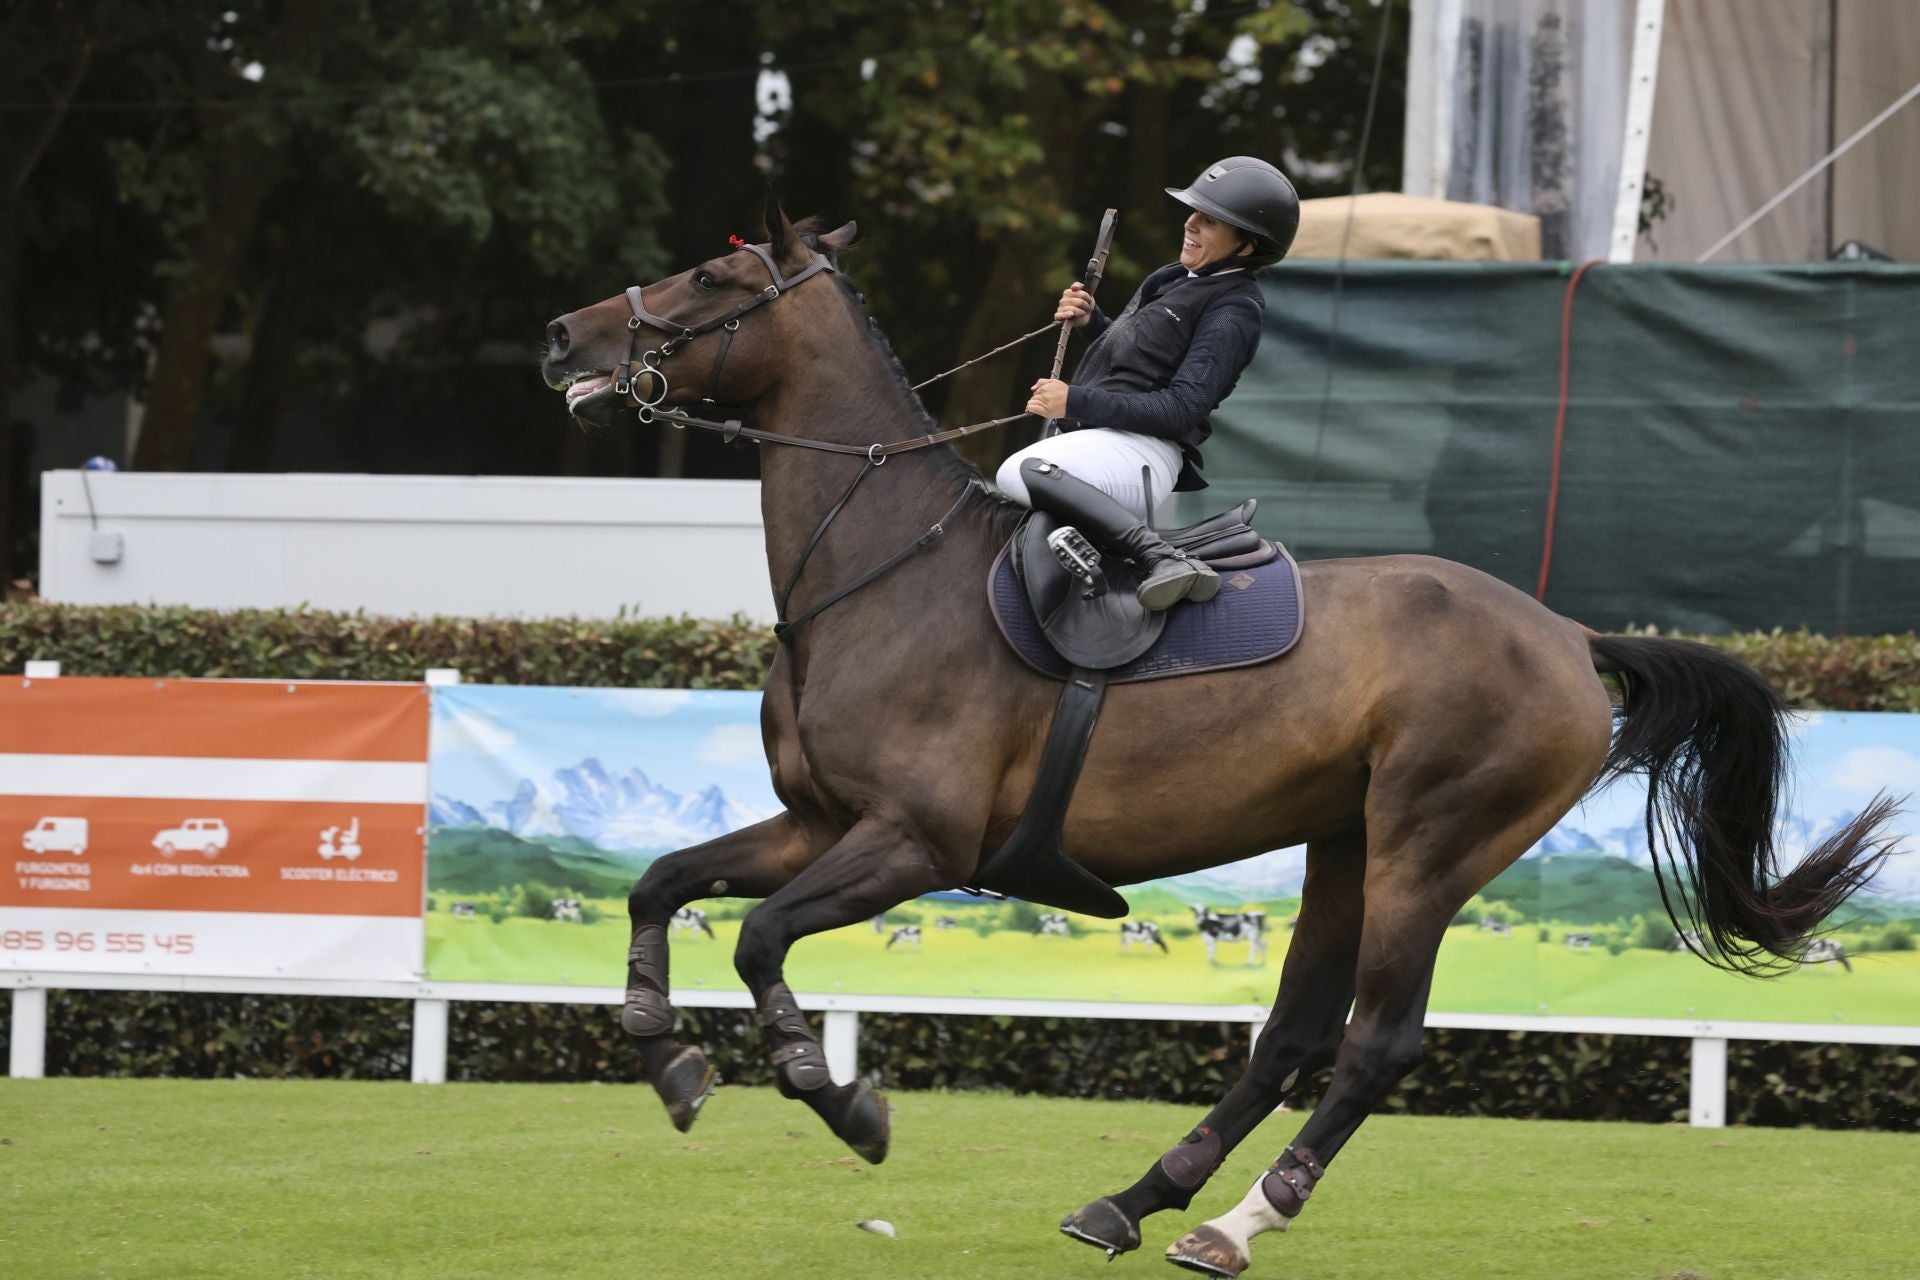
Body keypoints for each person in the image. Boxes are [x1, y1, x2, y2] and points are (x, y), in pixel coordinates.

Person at [996, 156, 1299, 610]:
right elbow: (1141, 362)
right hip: (1102, 442)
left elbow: (1181, 408)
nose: (1191, 224)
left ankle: (1160, 557)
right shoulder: (1175, 278)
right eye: (1194, 211)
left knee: (1018, 471)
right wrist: (1093, 322)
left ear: (1248, 247)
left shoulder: (1234, 309)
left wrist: (1074, 400)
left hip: (1142, 454)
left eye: (1210, 220)